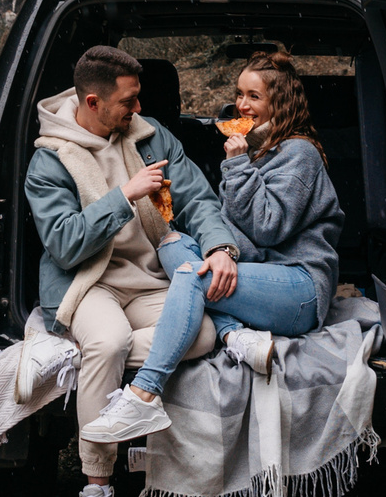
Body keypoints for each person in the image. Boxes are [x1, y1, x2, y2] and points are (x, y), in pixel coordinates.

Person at [25, 44, 244, 497]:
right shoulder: (49, 158)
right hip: (90, 282)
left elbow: (199, 200)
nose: (138, 111)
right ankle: (97, 496)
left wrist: (217, 247)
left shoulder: (151, 138)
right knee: (108, 341)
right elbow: (65, 244)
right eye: (129, 101)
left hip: (149, 280)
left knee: (204, 336)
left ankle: (122, 395)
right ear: (94, 101)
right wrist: (124, 195)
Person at [94, 48, 343, 418]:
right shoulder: (261, 150)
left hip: (300, 288)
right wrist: (221, 251)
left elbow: (267, 228)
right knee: (173, 242)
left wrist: (236, 166)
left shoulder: (298, 154)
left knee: (193, 277)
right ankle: (233, 334)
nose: (241, 105)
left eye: (254, 96)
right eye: (239, 94)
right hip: (262, 272)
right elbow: (234, 228)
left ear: (281, 102)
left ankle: (143, 393)